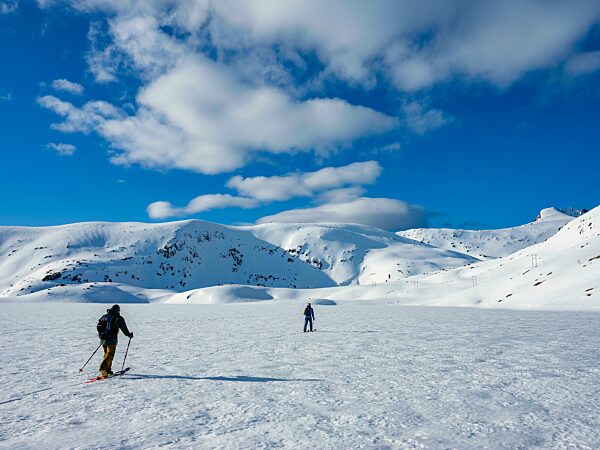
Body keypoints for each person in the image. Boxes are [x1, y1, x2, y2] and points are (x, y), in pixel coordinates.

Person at [98, 304, 133, 377]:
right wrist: (129, 335)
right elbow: (124, 328)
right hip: (111, 339)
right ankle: (103, 368)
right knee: (110, 354)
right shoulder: (118, 318)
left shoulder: (104, 316)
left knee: (106, 353)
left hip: (103, 338)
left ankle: (108, 370)